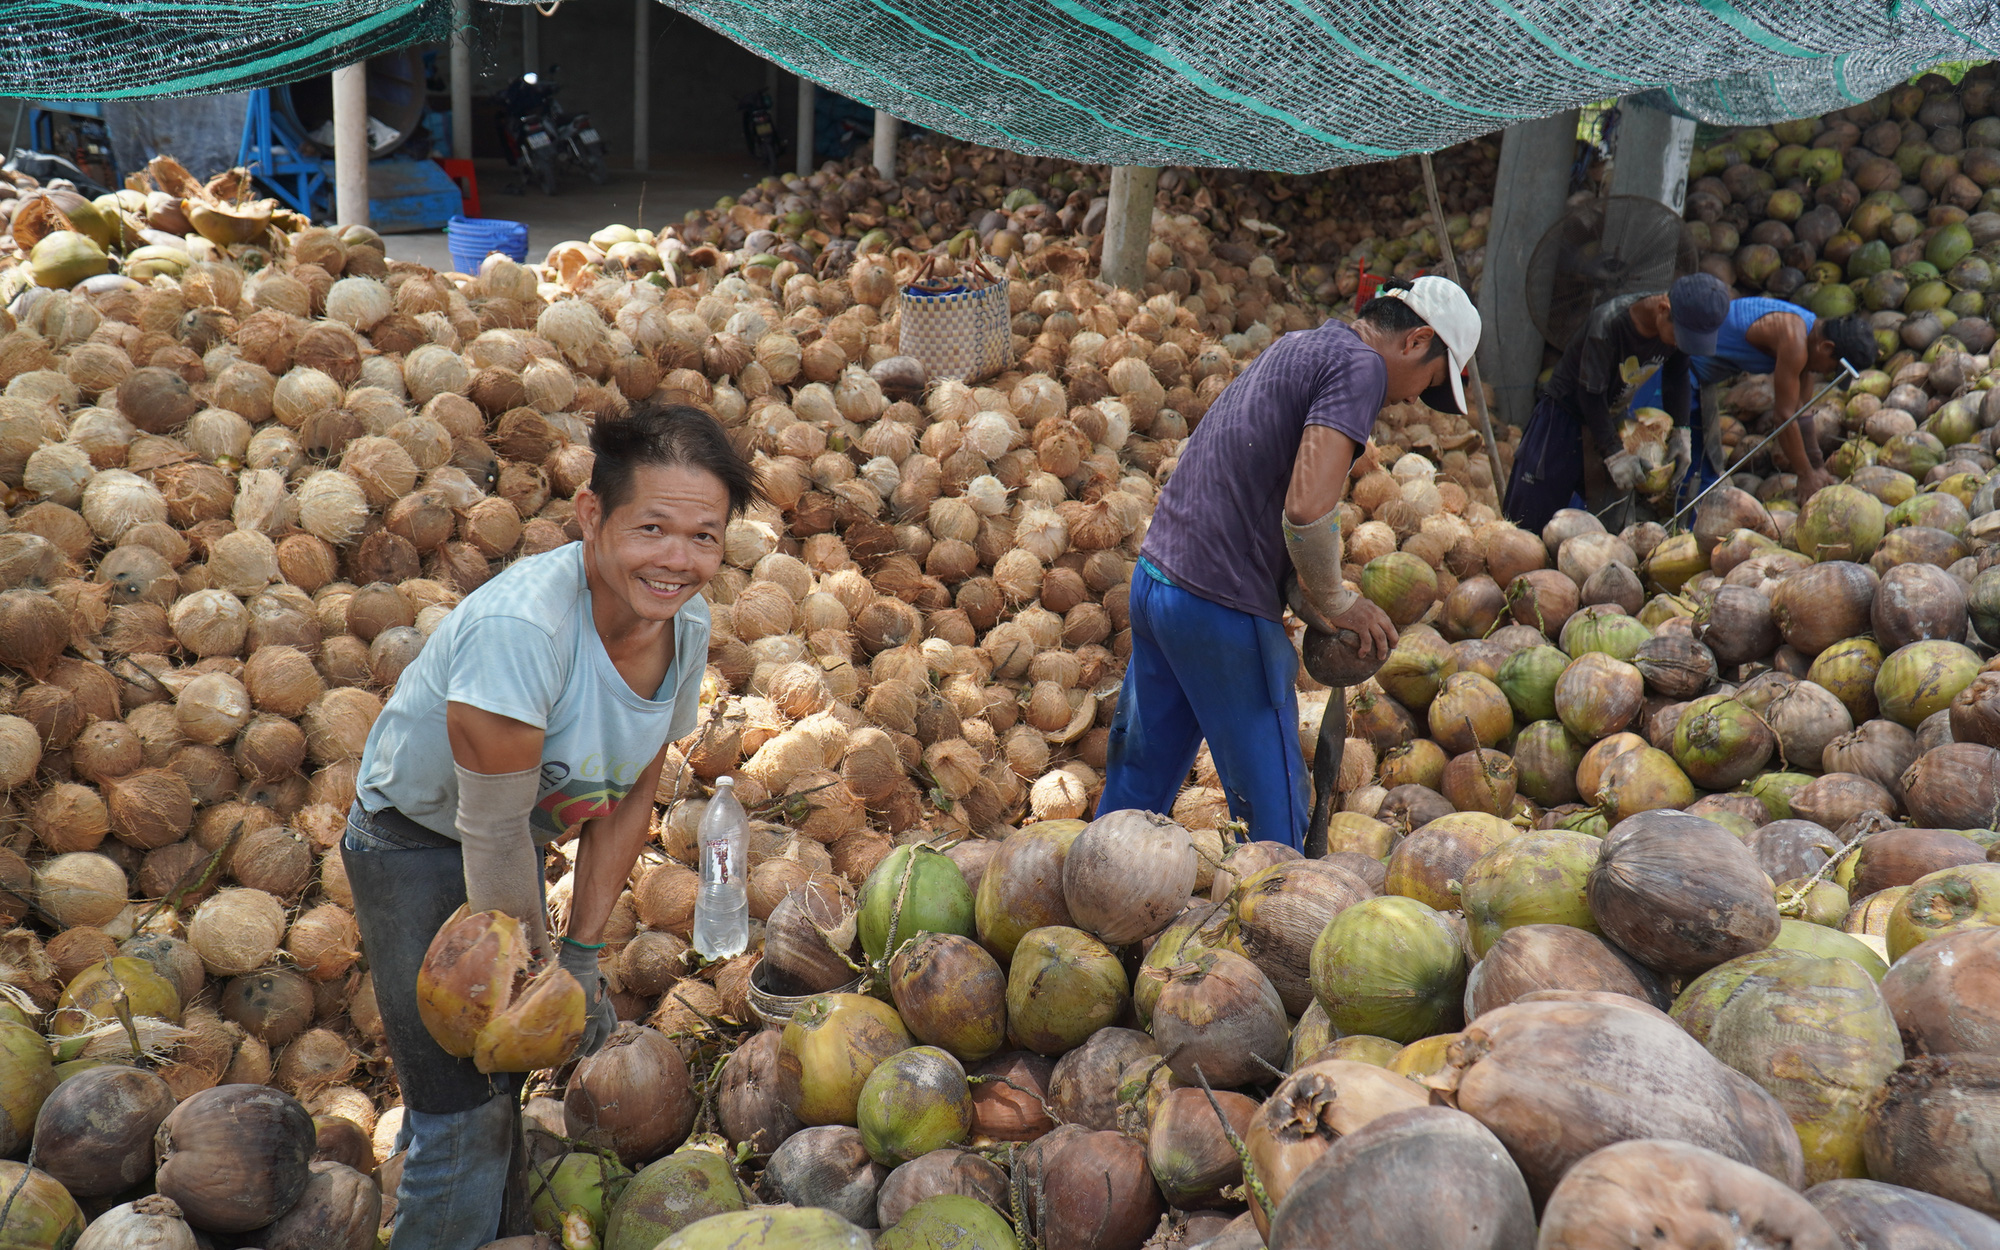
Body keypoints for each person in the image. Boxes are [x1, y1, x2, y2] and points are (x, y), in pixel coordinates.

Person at [343, 402, 756, 1250]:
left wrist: (582, 954)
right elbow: (490, 834)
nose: (678, 559)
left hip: (508, 840)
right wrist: (534, 988)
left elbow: (636, 785)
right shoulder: (521, 630)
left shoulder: (684, 622)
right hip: (417, 841)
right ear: (592, 517)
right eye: (653, 528)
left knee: (497, 1101)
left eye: (705, 537)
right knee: (462, 1110)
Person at [1096, 275, 1480, 849]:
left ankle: (1091, 917)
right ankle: (1275, 933)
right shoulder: (1363, 368)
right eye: (1427, 383)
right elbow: (1305, 508)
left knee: (1135, 787)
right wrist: (1335, 598)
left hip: (1158, 581)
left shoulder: (1302, 344)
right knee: (1274, 819)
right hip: (1218, 606)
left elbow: (1257, 488)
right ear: (1417, 339)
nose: (1410, 401)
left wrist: (1304, 595)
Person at [1504, 272, 1731, 533]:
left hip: (1612, 418)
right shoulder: (1609, 325)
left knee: (1607, 521)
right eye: (1680, 337)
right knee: (1529, 517)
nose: (1681, 345)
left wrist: (1682, 432)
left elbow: (1677, 375)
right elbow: (1589, 395)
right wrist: (1614, 454)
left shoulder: (1677, 328)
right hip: (1563, 419)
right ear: (1662, 309)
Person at [1683, 298, 1877, 504]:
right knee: (1686, 457)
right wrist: (1805, 475)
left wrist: (1818, 465)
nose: (1825, 372)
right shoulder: (1794, 341)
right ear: (1827, 348)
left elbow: (1802, 411)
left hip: (1705, 377)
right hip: (1685, 367)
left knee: (1702, 463)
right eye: (1832, 368)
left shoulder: (1811, 334)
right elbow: (1784, 418)